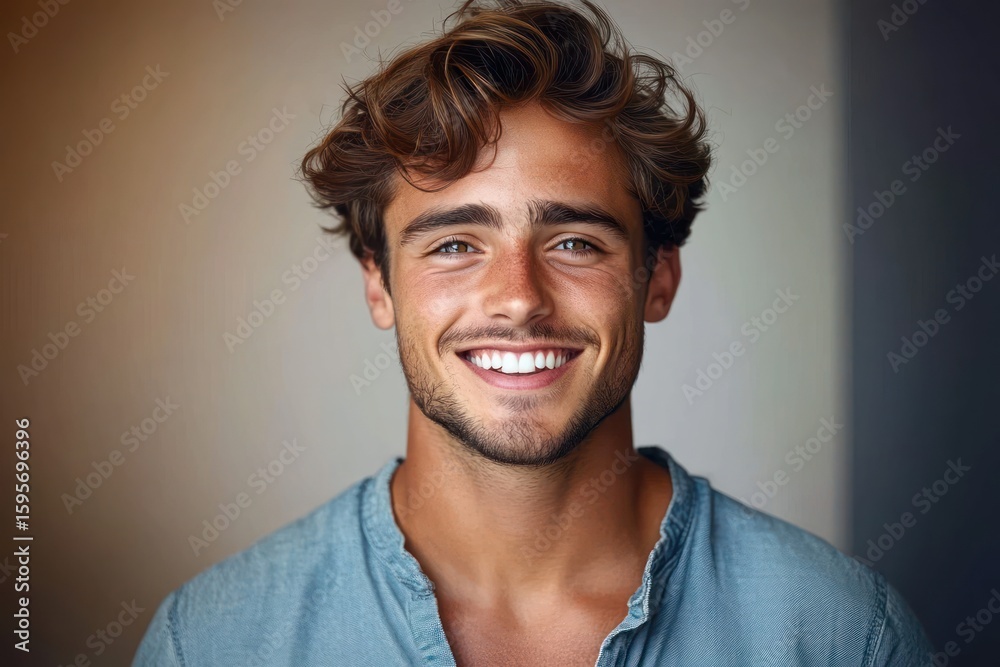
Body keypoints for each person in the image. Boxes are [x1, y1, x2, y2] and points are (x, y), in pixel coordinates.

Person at [133, 1, 935, 664]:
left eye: (575, 242)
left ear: (658, 277)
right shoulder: (212, 640)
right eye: (454, 244)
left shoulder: (841, 636)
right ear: (378, 283)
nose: (518, 298)